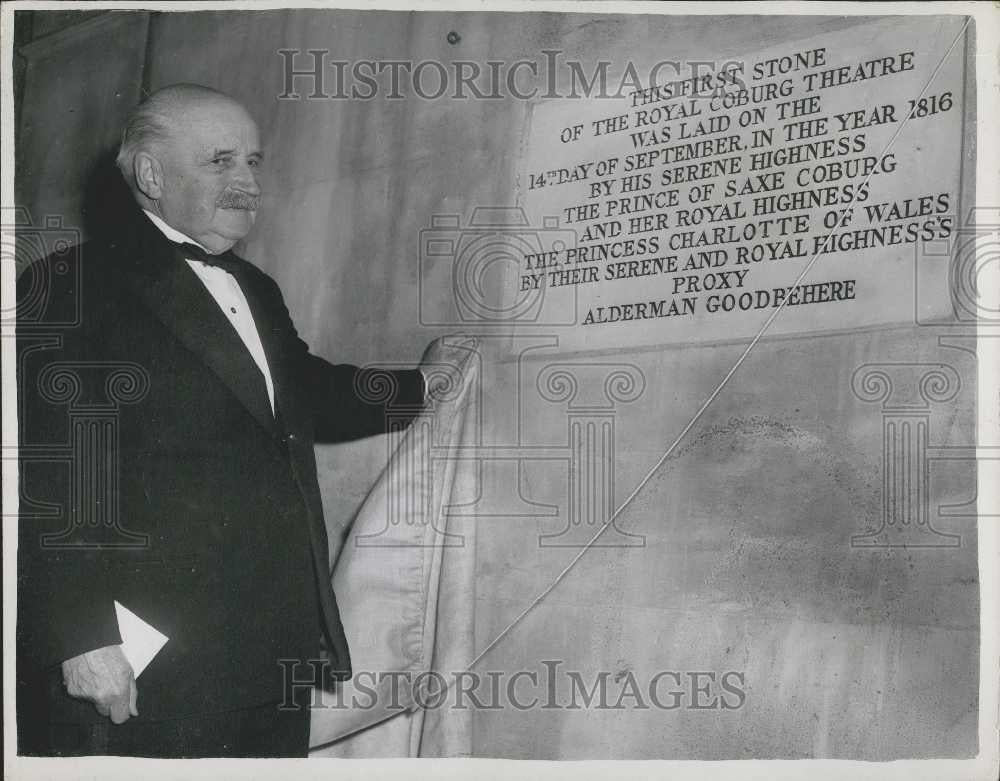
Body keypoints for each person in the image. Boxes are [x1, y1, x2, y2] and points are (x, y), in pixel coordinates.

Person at [16, 83, 456, 758]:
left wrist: (424, 383)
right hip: (147, 663)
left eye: (252, 161)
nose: (247, 181)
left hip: (273, 652)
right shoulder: (67, 285)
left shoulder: (255, 287)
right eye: (221, 161)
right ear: (151, 174)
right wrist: (84, 635)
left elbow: (309, 391)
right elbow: (49, 471)